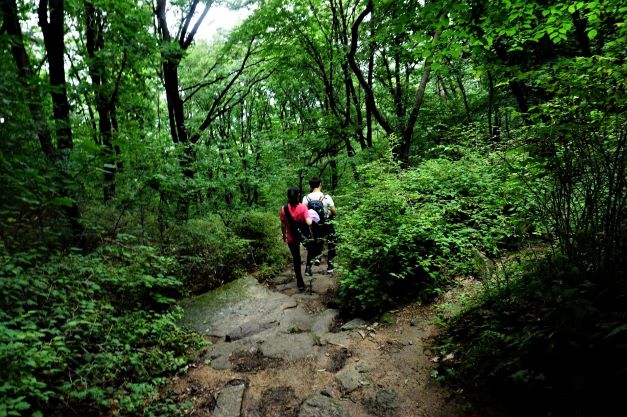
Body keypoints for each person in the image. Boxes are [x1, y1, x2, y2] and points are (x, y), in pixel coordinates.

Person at [280, 187, 312, 291]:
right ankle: (309, 266)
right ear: (298, 195)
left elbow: (283, 225)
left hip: (291, 237)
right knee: (311, 250)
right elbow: (309, 222)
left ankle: (300, 282)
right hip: (303, 235)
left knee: (296, 258)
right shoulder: (303, 208)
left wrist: (284, 235)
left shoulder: (283, 209)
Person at [303, 176, 336, 275]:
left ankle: (308, 268)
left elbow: (303, 213)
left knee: (313, 245)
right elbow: (334, 211)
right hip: (325, 224)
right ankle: (330, 266)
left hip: (313, 226)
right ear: (320, 184)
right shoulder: (326, 197)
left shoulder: (306, 198)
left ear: (310, 185)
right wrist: (329, 213)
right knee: (331, 243)